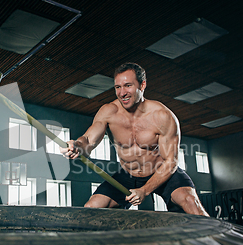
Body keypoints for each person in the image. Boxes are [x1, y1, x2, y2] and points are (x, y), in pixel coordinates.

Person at [61, 62, 208, 216]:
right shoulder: (109, 112)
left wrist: (145, 190)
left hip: (161, 171)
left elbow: (171, 162)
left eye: (128, 86)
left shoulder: (162, 116)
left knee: (191, 202)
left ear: (142, 85)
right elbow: (88, 141)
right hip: (128, 175)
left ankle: (214, 239)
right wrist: (76, 145)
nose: (122, 93)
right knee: (92, 208)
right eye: (118, 87)